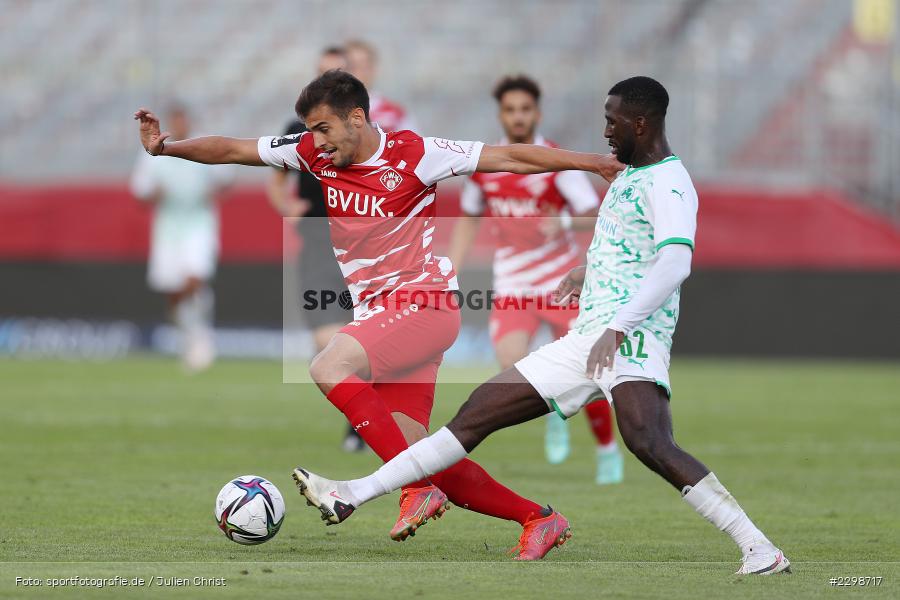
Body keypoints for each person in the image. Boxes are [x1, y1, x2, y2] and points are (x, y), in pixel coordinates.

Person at [291, 76, 792, 576]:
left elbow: (674, 263)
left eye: (612, 121)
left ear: (642, 123)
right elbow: (627, 248)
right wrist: (587, 271)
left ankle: (759, 548)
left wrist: (618, 328)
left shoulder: (669, 181)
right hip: (584, 341)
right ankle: (353, 493)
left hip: (629, 340)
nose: (606, 131)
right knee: (475, 415)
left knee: (650, 443)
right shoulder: (630, 177)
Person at [133, 69, 623, 560]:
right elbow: (234, 149)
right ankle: (538, 519)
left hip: (423, 303)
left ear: (357, 118)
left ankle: (415, 493)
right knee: (421, 457)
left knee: (327, 366)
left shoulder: (415, 154)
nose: (316, 141)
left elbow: (511, 157)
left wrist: (593, 162)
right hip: (388, 315)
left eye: (324, 129)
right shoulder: (312, 152)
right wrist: (166, 148)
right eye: (310, 131)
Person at [448, 75, 623, 483]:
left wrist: (560, 219)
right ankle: (555, 414)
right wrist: (450, 269)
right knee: (511, 364)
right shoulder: (486, 165)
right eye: (510, 110)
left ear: (536, 114)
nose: (518, 117)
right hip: (512, 282)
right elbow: (469, 218)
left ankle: (607, 449)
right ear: (502, 115)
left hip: (560, 282)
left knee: (593, 370)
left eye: (525, 109)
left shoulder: (556, 162)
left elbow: (592, 212)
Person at [265, 46, 364, 453]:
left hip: (359, 247)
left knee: (358, 336)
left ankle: (362, 423)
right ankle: (363, 410)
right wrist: (287, 206)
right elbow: (274, 178)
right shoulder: (298, 129)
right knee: (326, 342)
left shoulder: (365, 132)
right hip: (316, 245)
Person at [130, 102, 232, 372]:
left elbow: (226, 177)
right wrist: (155, 194)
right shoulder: (152, 151)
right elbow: (141, 191)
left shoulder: (201, 145)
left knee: (194, 278)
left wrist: (214, 188)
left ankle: (201, 338)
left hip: (199, 224)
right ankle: (188, 336)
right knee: (173, 291)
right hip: (168, 229)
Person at [344, 40, 416, 133]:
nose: (357, 72)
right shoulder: (332, 111)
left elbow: (413, 145)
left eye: (364, 66)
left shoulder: (395, 114)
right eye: (352, 66)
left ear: (373, 69)